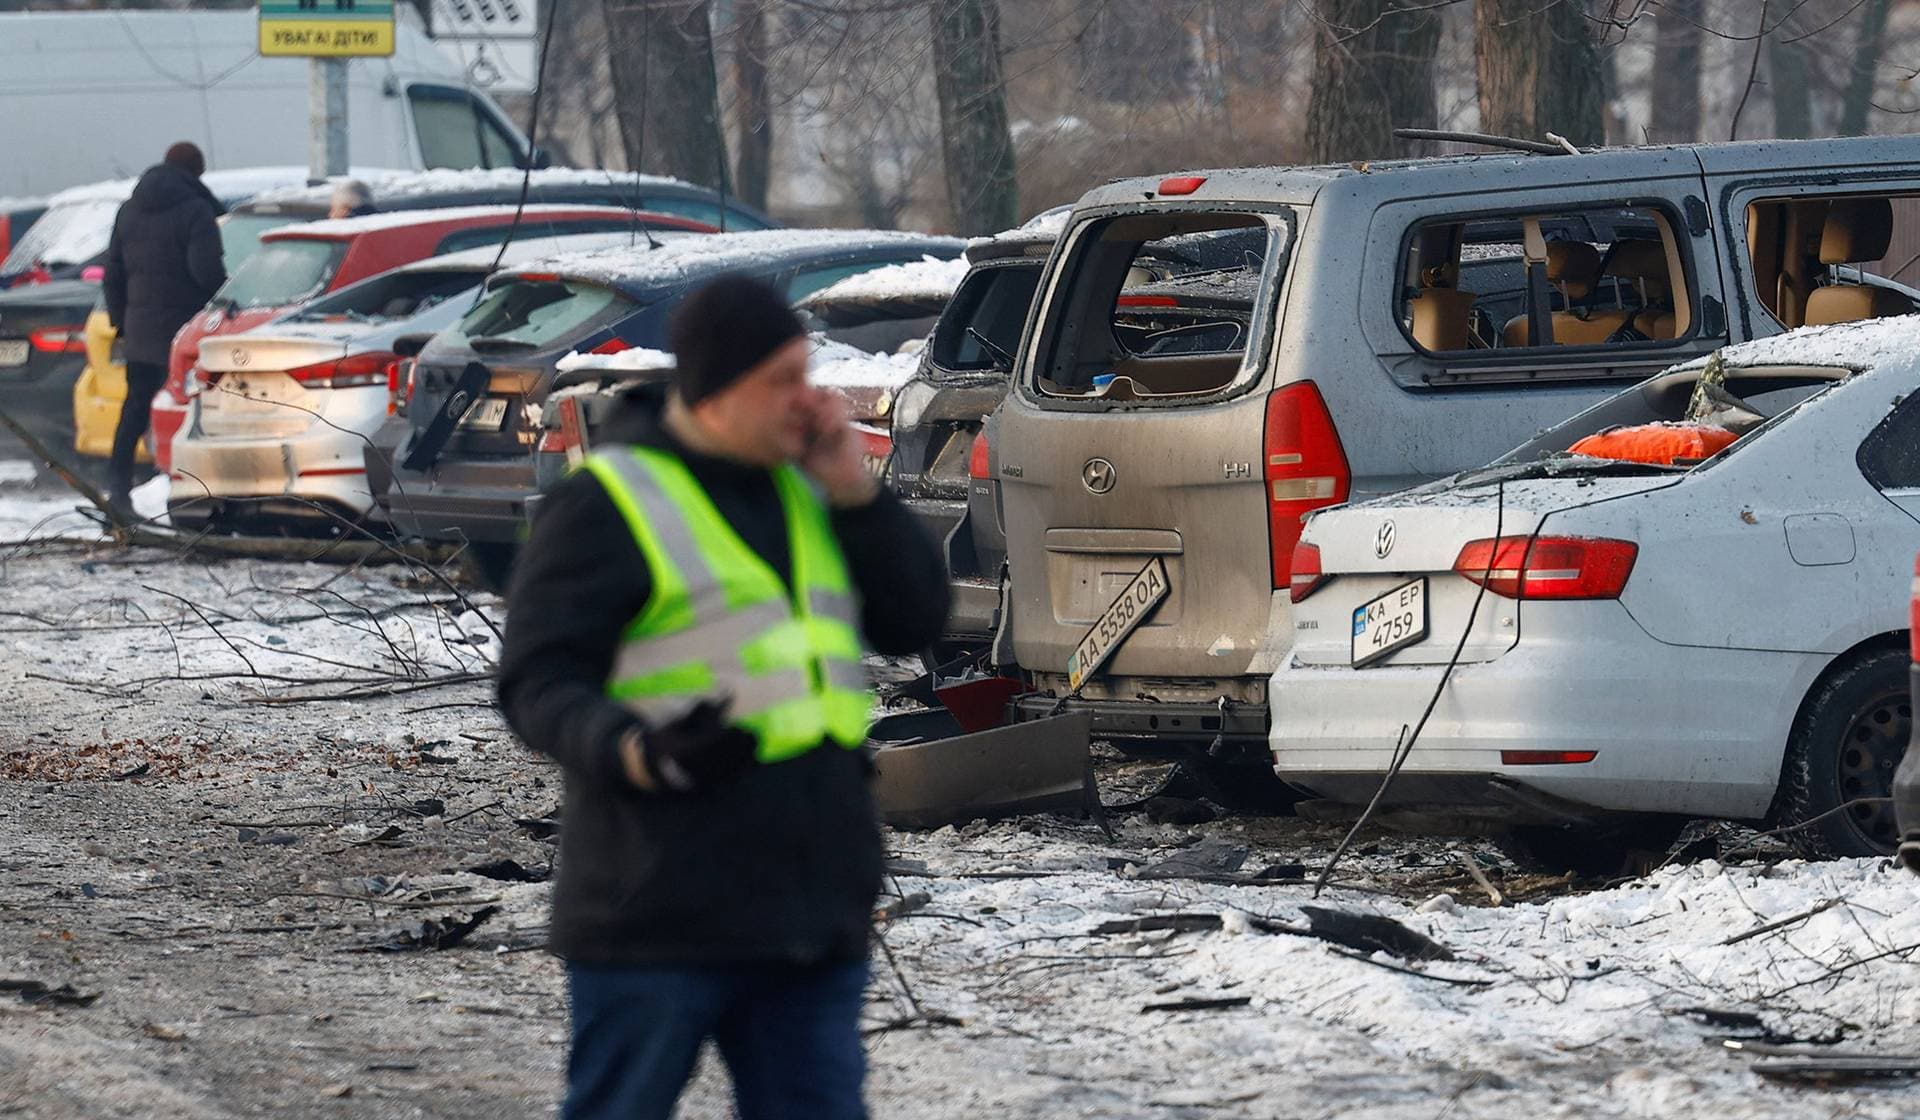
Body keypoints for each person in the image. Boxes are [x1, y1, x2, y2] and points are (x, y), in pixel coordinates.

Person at [498, 274, 949, 1120]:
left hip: (809, 907)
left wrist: (857, 494)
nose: (805, 400)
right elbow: (535, 680)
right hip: (658, 905)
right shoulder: (609, 504)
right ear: (713, 391)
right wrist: (633, 748)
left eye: (804, 373)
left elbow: (915, 618)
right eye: (779, 380)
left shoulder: (806, 487)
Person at [101, 141, 225, 511]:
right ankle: (189, 494)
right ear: (195, 173)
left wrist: (121, 323)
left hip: (139, 331)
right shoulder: (195, 210)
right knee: (189, 413)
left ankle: (118, 492)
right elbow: (205, 271)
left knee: (135, 410)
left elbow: (112, 274)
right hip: (183, 334)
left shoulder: (129, 210)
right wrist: (223, 302)